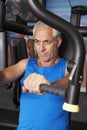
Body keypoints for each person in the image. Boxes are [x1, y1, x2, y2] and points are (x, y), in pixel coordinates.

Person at [0, 21, 70, 130]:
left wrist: (50, 86)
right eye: (37, 42)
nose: (41, 49)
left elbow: (69, 81)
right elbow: (4, 75)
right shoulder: (26, 64)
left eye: (47, 42)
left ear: (58, 42)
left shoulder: (66, 66)